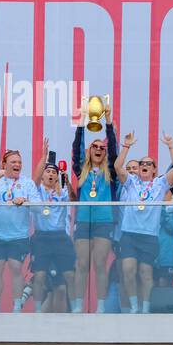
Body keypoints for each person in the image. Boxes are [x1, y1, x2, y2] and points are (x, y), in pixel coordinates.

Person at [113, 132, 173, 314]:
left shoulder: (160, 183)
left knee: (145, 273)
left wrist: (170, 146)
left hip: (149, 235)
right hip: (129, 233)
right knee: (128, 270)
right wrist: (126, 146)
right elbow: (117, 166)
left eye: (148, 164)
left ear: (154, 169)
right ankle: (134, 307)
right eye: (142, 164)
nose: (144, 166)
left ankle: (145, 309)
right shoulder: (131, 182)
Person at [71, 103, 119, 314]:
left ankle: (100, 305)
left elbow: (115, 151)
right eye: (95, 147)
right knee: (82, 264)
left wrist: (108, 121)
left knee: (99, 264)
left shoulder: (110, 171)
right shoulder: (82, 169)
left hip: (104, 221)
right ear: (89, 152)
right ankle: (78, 304)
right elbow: (76, 149)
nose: (99, 149)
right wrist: (81, 122)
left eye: (102, 147)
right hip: (83, 221)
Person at [0, 147, 39, 313]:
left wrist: (26, 200)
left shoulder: (27, 183)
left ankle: (16, 306)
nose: (17, 165)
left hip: (18, 235)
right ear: (4, 164)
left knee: (16, 267)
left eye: (19, 162)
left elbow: (39, 207)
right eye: (13, 162)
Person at [28, 149, 75, 313]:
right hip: (41, 238)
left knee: (69, 275)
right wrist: (43, 158)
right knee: (40, 276)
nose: (50, 174)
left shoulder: (61, 193)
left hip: (60, 237)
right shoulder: (35, 190)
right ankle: (38, 310)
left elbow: (74, 200)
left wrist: (66, 182)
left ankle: (76, 309)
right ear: (42, 175)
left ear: (56, 176)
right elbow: (35, 178)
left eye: (53, 172)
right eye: (47, 171)